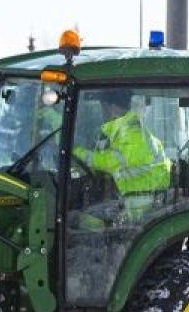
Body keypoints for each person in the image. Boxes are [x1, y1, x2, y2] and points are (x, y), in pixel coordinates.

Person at [73, 89, 171, 225]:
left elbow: (105, 161)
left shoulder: (131, 135)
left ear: (111, 108)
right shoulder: (127, 131)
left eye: (102, 107)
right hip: (139, 201)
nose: (102, 112)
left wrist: (73, 150)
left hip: (142, 208)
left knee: (84, 221)